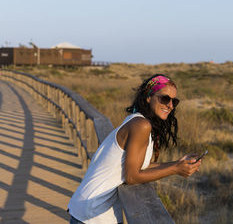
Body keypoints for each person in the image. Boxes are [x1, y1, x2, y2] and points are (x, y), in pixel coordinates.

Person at [68, 74, 202, 224]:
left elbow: (139, 167)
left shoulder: (138, 121)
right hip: (92, 213)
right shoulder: (141, 125)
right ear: (148, 97)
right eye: (165, 99)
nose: (170, 105)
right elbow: (132, 177)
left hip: (91, 210)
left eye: (174, 101)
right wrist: (175, 169)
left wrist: (177, 163)